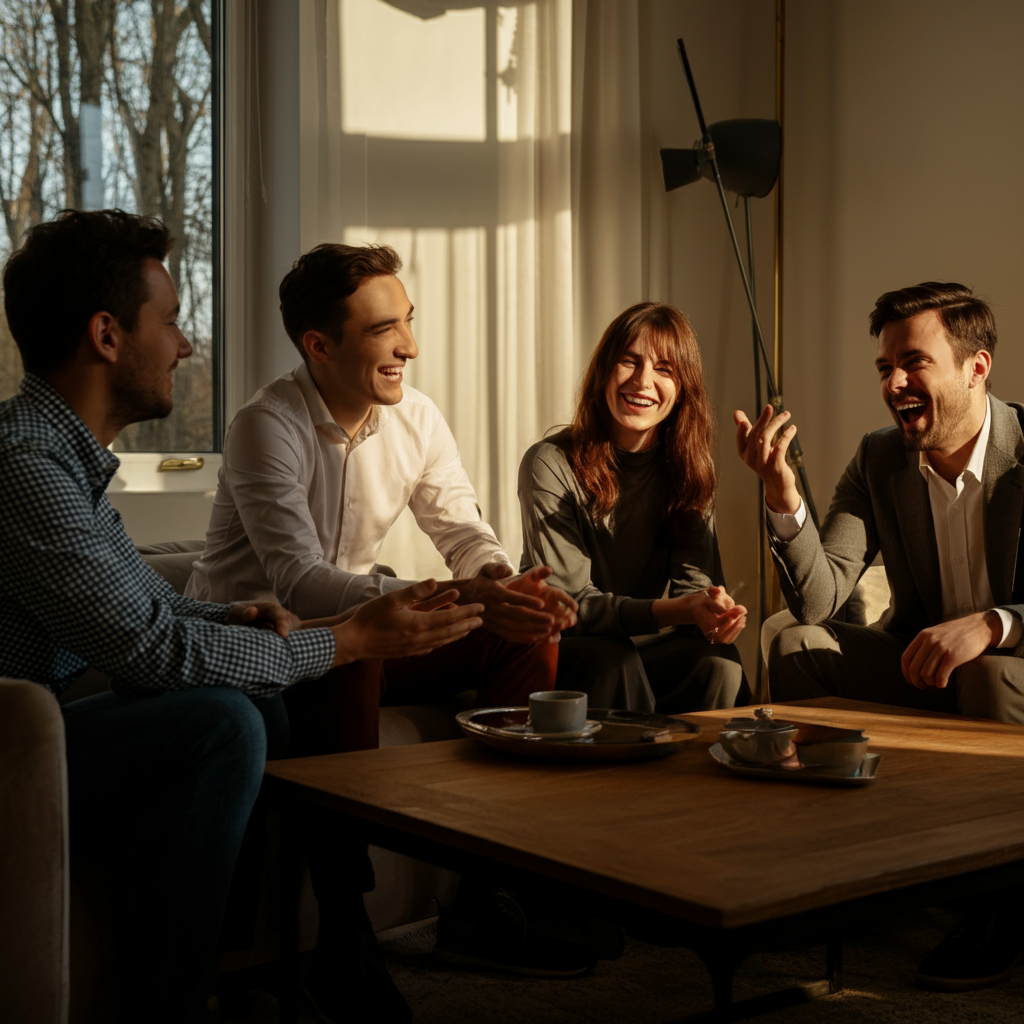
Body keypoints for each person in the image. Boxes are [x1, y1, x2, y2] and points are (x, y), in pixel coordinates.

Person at [0, 210, 486, 1024]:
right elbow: (151, 652)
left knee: (252, 700)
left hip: (48, 727)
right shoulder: (28, 470)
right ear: (107, 335)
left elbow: (154, 610)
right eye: (174, 321)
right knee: (222, 722)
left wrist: (246, 620)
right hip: (14, 748)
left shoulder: (67, 464)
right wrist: (348, 638)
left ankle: (241, 965)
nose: (186, 347)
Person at [185, 242, 584, 982]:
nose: (410, 345)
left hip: (355, 628)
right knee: (355, 646)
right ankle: (345, 929)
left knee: (522, 633)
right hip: (260, 646)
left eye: (408, 321)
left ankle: (484, 895)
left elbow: (463, 530)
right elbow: (300, 582)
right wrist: (440, 598)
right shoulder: (264, 425)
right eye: (384, 331)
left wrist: (496, 581)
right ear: (319, 345)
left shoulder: (418, 419)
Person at [734, 280, 1024, 991]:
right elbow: (819, 600)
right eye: (885, 368)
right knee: (792, 642)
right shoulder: (879, 458)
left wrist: (993, 625)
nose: (894, 383)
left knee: (986, 674)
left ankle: (1001, 907)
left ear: (975, 366)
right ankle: (841, 876)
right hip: (925, 672)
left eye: (914, 363)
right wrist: (783, 498)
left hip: (1008, 674)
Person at [518, 301, 749, 712]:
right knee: (612, 659)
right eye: (629, 361)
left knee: (720, 665)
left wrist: (712, 611)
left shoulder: (689, 469)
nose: (643, 381)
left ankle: (711, 775)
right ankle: (629, 778)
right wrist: (676, 611)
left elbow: (693, 587)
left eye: (664, 369)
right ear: (605, 371)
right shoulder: (548, 463)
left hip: (637, 650)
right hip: (563, 648)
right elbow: (569, 604)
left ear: (682, 390)